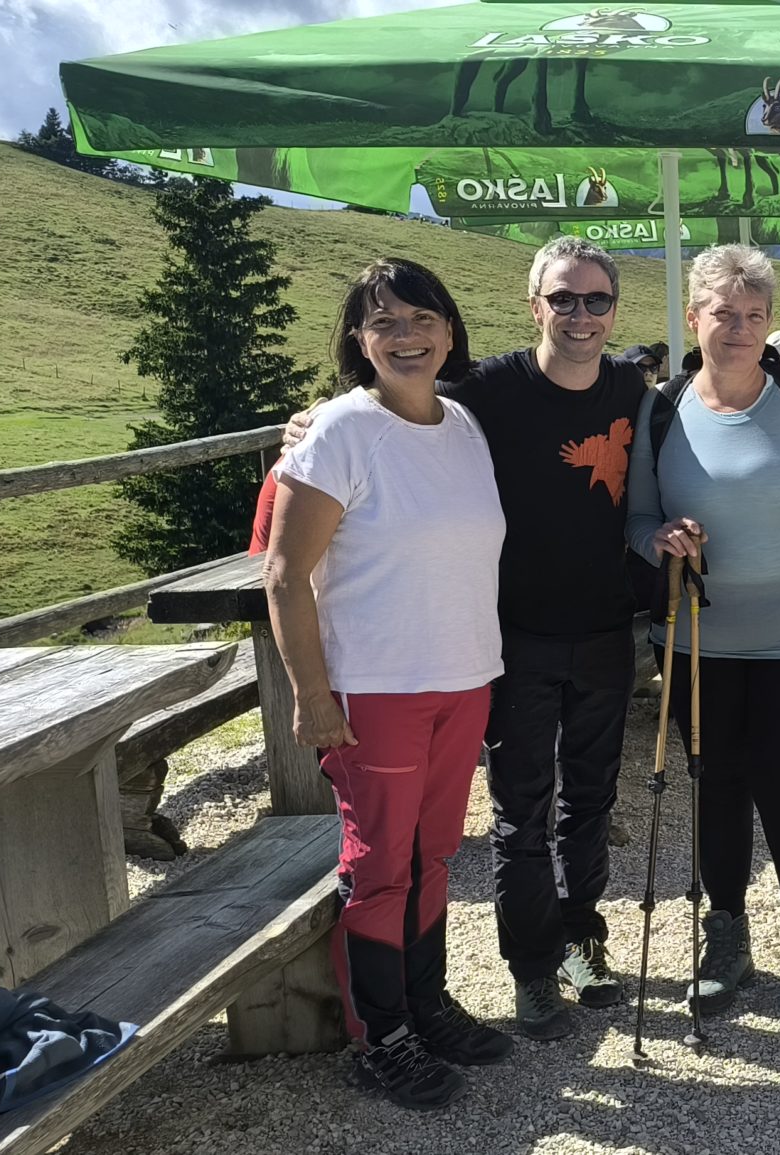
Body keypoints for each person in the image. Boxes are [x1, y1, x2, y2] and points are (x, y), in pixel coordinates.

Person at [271, 238, 652, 1041]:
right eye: (563, 298)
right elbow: (381, 414)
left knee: (551, 812)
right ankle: (497, 982)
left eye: (596, 300)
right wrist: (310, 423)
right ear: (534, 305)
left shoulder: (614, 389)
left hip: (556, 642)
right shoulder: (481, 394)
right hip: (491, 647)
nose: (580, 315)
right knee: (500, 817)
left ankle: (541, 957)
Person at [263, 258, 512, 1110]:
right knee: (380, 868)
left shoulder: (463, 424)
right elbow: (284, 575)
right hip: (377, 687)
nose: (407, 336)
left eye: (422, 319)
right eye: (385, 322)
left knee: (433, 854)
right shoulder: (340, 429)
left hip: (462, 675)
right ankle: (380, 1035)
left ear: (450, 329)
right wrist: (310, 693)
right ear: (358, 340)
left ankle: (424, 1003)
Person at [627, 245, 780, 1021]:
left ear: (769, 323)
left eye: (754, 315)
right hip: (696, 637)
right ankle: (726, 936)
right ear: (693, 316)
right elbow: (637, 518)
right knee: (716, 786)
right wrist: (660, 540)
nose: (738, 328)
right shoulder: (661, 408)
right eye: (723, 313)